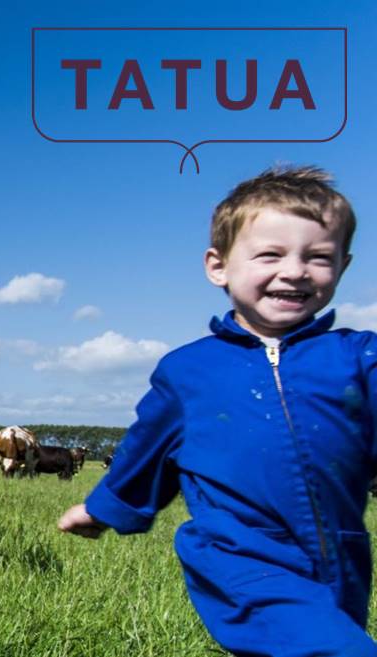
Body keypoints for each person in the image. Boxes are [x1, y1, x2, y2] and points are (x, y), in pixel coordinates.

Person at [58, 165, 377, 656]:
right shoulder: (190, 372)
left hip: (341, 551)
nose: (295, 270)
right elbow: (147, 449)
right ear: (218, 266)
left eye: (318, 257)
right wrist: (104, 508)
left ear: (343, 265)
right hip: (241, 554)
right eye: (270, 254)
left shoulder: (358, 358)